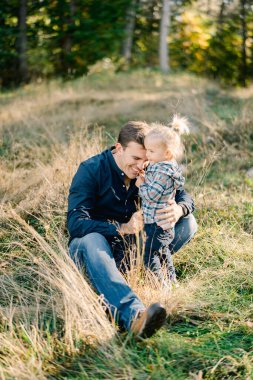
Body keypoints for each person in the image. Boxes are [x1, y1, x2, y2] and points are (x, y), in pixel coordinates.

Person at [67, 121, 197, 338]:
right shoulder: (90, 170)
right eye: (135, 159)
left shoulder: (151, 167)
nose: (140, 167)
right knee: (92, 239)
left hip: (133, 249)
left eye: (145, 160)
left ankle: (137, 271)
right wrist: (122, 227)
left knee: (189, 222)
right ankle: (134, 316)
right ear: (119, 148)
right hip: (95, 250)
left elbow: (184, 196)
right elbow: (75, 223)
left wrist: (178, 209)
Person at [135, 116, 189, 289]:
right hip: (161, 224)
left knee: (149, 254)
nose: (147, 154)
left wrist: (141, 184)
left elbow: (151, 195)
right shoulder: (161, 166)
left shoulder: (164, 172)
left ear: (167, 154)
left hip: (157, 224)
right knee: (164, 253)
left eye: (151, 151)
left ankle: (160, 286)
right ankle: (172, 284)